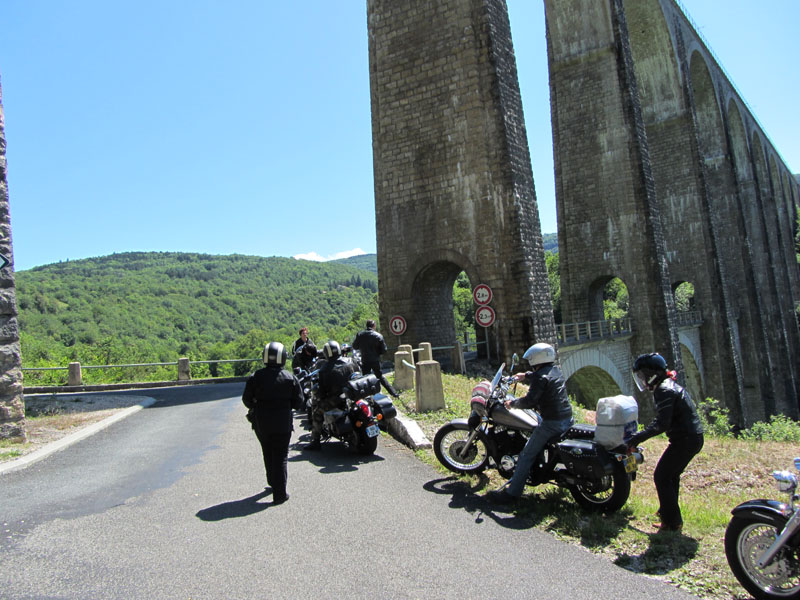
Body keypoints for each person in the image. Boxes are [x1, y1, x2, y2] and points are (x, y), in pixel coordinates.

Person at [488, 342, 574, 505]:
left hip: (552, 423)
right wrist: (525, 375)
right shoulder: (555, 370)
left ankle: (512, 494)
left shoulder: (540, 378)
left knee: (526, 455)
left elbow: (530, 401)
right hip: (566, 418)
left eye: (530, 361)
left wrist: (512, 404)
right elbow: (542, 376)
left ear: (536, 359)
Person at [627, 352, 704, 533]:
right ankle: (668, 515)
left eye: (643, 375)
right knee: (670, 476)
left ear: (652, 374)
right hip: (691, 437)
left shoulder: (664, 390)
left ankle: (672, 522)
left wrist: (636, 438)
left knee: (661, 476)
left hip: (685, 440)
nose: (642, 380)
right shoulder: (667, 385)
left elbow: (662, 424)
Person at [242, 341, 304, 505]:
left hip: (262, 423)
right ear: (282, 357)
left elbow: (246, 400)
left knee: (267, 451)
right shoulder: (290, 377)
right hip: (283, 423)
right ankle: (280, 493)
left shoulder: (256, 377)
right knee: (281, 456)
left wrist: (257, 404)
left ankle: (272, 482)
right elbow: (299, 402)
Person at [304, 340, 356, 451]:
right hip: (353, 395)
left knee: (317, 413)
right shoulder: (350, 361)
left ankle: (315, 441)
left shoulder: (324, 369)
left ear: (326, 353)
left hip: (336, 400)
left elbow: (322, 392)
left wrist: (320, 395)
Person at [352, 319, 399, 398]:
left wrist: (362, 348)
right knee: (380, 377)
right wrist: (377, 353)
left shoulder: (360, 335)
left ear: (366, 326)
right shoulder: (378, 336)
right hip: (375, 360)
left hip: (365, 360)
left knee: (365, 379)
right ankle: (393, 393)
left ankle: (367, 397)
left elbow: (355, 346)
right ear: (374, 326)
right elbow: (384, 350)